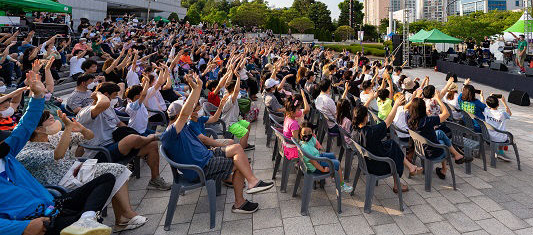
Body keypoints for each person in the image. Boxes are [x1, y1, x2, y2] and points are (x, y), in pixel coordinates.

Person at [0, 71, 116, 235]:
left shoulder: (5, 153)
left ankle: (86, 219)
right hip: (31, 221)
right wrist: (22, 228)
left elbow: (25, 126)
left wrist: (38, 95)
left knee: (106, 179)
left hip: (51, 203)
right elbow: (57, 154)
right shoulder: (22, 152)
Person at [160, 73, 273, 214]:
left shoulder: (184, 127)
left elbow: (199, 116)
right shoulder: (170, 133)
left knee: (237, 147)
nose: (191, 110)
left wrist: (198, 86)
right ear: (177, 116)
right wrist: (196, 90)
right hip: (200, 167)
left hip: (206, 156)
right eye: (186, 110)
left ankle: (252, 181)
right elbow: (185, 114)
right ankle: (239, 204)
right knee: (239, 165)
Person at [17, 110, 147, 231]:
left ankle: (123, 218)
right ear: (38, 129)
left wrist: (82, 129)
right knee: (116, 170)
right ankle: (124, 217)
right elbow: (58, 154)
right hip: (61, 182)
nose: (56, 121)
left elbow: (89, 136)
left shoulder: (54, 136)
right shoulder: (27, 152)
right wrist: (68, 128)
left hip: (77, 170)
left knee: (118, 170)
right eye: (51, 120)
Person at [76, 81, 171, 190]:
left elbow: (119, 123)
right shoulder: (86, 111)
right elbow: (103, 104)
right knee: (133, 139)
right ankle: (156, 136)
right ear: (106, 95)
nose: (115, 99)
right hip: (101, 151)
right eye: (113, 96)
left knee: (151, 144)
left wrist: (129, 132)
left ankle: (155, 180)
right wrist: (98, 94)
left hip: (116, 145)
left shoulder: (109, 109)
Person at [351, 93, 421, 193]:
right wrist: (396, 105)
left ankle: (411, 167)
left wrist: (367, 102)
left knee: (392, 143)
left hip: (366, 161)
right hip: (376, 165)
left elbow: (360, 113)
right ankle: (398, 184)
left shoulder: (353, 130)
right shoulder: (370, 132)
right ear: (366, 117)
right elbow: (388, 122)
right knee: (395, 153)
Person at [406, 92, 470, 180]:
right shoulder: (428, 120)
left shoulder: (409, 118)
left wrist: (416, 98)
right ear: (423, 108)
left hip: (419, 148)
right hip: (431, 152)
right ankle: (445, 168)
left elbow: (406, 107)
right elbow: (446, 114)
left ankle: (456, 155)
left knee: (439, 132)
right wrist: (439, 100)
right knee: (443, 143)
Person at [297, 122, 352, 193]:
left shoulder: (307, 140)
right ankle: (342, 185)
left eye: (309, 132)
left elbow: (315, 141)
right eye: (305, 132)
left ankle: (333, 176)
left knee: (332, 155)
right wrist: (322, 169)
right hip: (315, 167)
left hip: (317, 157)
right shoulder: (305, 147)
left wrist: (318, 146)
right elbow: (312, 161)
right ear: (301, 134)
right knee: (337, 163)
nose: (307, 134)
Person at [484, 94, 512, 162]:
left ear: (488, 104)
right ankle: (501, 152)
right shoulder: (502, 113)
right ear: (498, 104)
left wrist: (490, 97)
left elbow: (486, 105)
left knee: (500, 134)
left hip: (488, 136)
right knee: (504, 135)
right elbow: (510, 114)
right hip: (500, 138)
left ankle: (499, 152)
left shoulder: (486, 110)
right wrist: (504, 102)